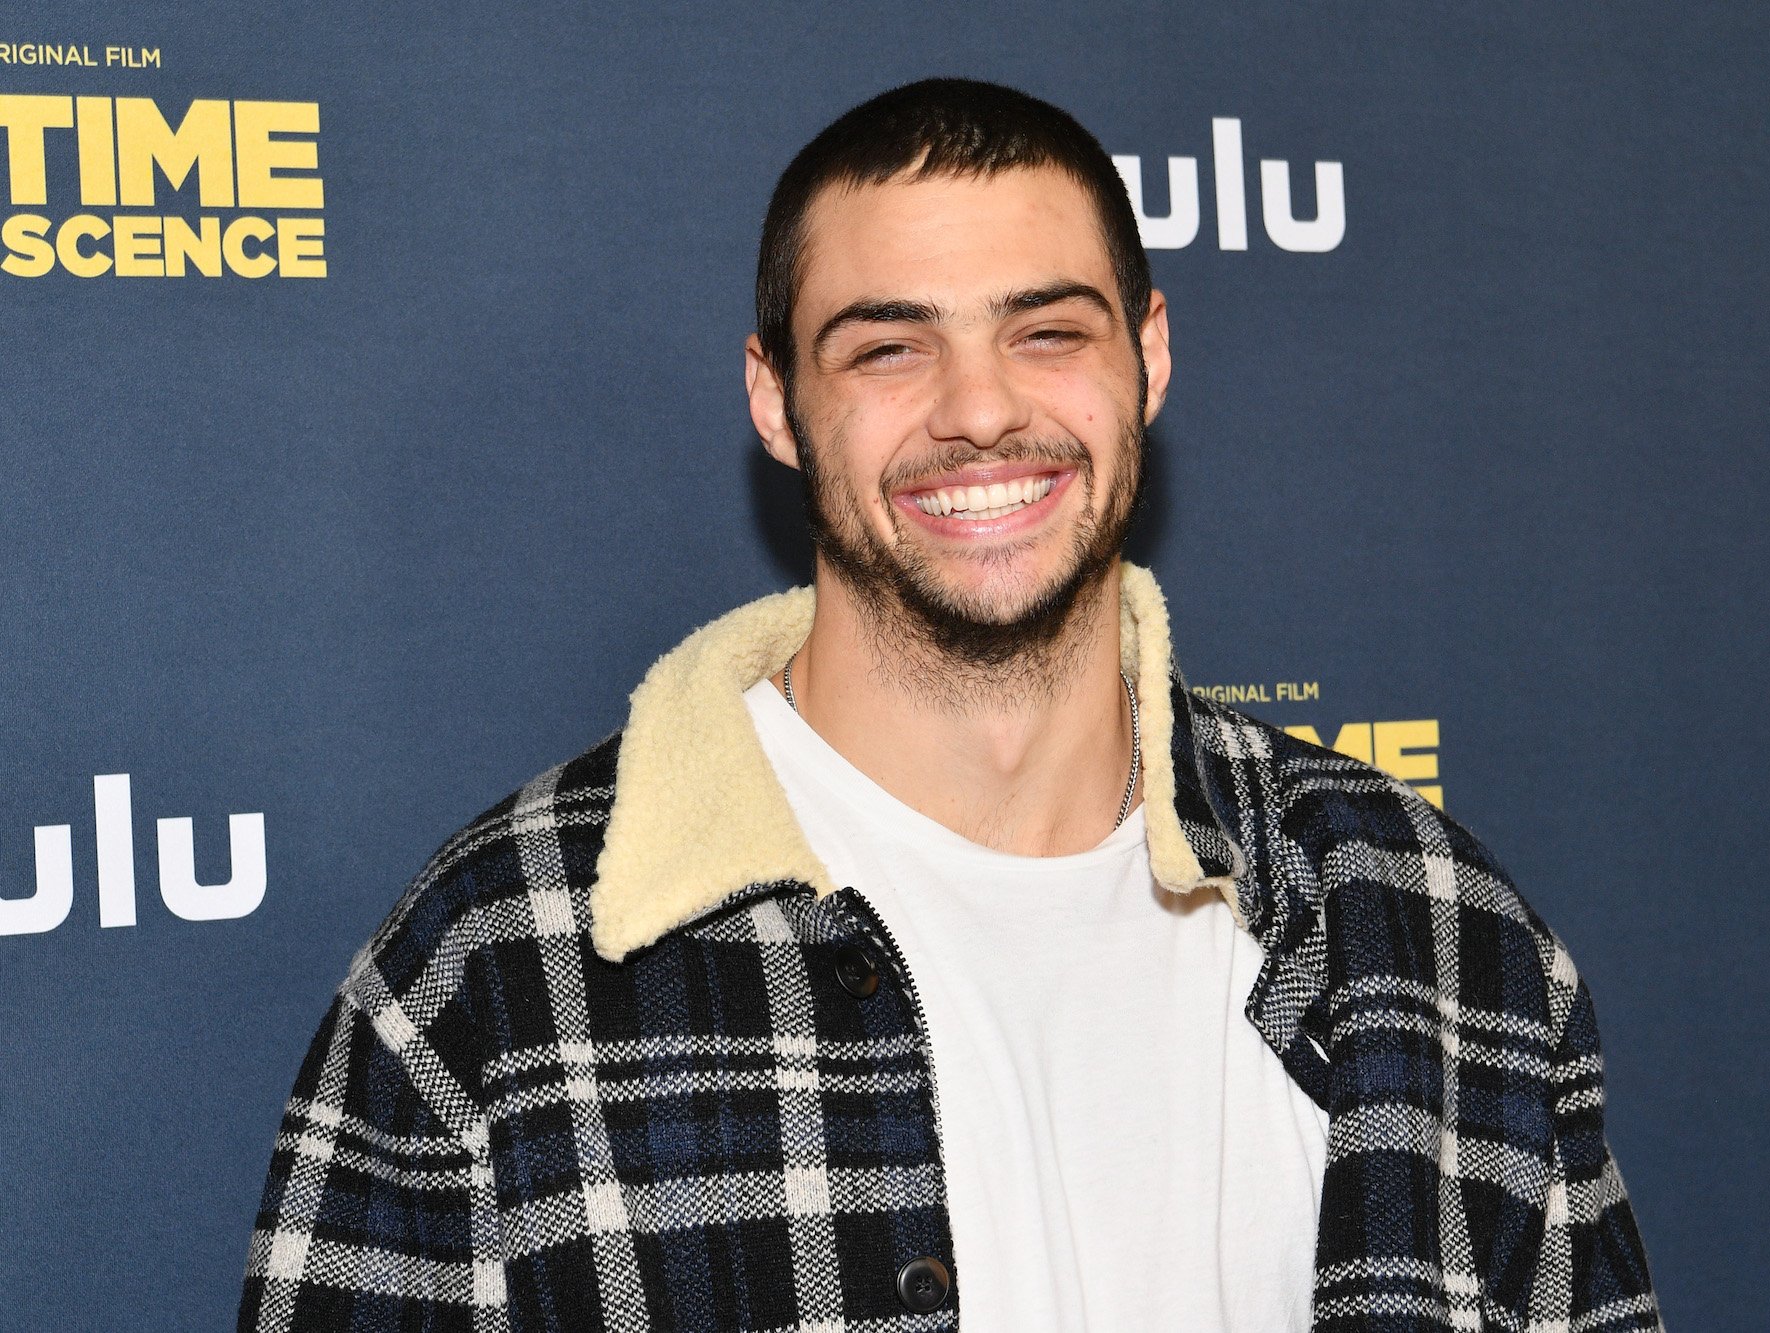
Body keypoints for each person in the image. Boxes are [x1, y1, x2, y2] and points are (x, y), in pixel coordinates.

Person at [240, 78, 1659, 1332]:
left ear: (1147, 359)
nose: (980, 410)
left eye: (1046, 332)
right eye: (887, 347)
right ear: (777, 401)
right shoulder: (499, 971)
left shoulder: (1425, 922)